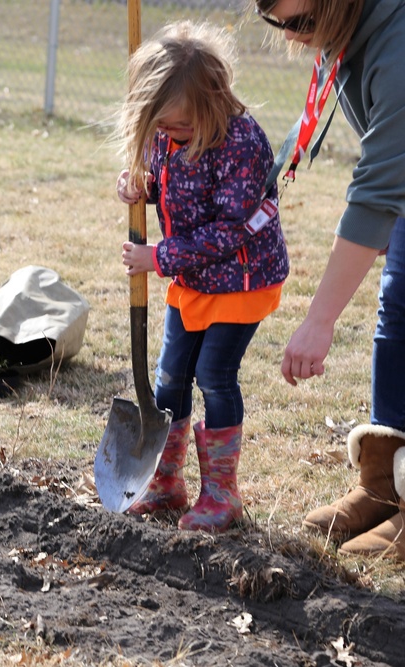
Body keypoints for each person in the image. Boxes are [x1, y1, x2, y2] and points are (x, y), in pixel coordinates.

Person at [112, 21, 289, 532]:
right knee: (170, 376)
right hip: (192, 280)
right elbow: (166, 182)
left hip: (241, 279)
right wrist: (139, 187)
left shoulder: (242, 141)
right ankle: (166, 480)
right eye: (161, 130)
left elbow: (230, 228)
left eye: (177, 129)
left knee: (214, 376)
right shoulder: (170, 131)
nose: (170, 138)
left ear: (212, 103)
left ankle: (221, 494)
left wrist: (159, 257)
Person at [254, 0, 405, 560]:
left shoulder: (397, 44)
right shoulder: (353, 29)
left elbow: (377, 186)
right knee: (397, 314)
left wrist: (319, 321)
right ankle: (382, 486)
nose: (294, 37)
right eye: (282, 25)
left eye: (303, 22)